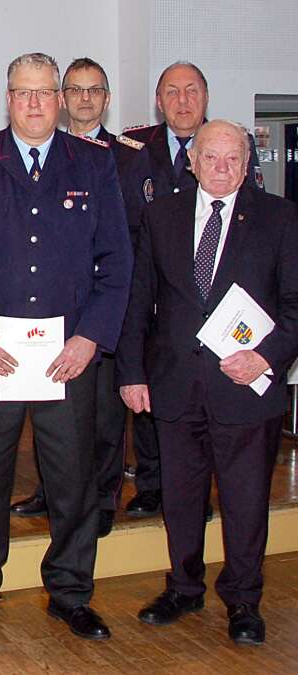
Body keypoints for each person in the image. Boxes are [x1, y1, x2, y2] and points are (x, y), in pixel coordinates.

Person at [0, 52, 132, 641]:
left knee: (72, 480)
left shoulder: (93, 164)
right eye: (23, 93)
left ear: (60, 100)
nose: (34, 103)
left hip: (65, 357)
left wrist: (90, 338)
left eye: (45, 92)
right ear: (8, 99)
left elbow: (116, 261)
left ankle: (70, 592)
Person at [118, 119, 298, 647]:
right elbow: (139, 299)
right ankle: (183, 587)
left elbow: (295, 305)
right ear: (192, 163)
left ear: (247, 164)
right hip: (174, 386)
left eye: (233, 158)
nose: (221, 168)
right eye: (211, 157)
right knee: (180, 499)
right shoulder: (161, 214)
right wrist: (131, 372)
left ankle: (243, 600)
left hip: (245, 390)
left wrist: (264, 358)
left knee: (246, 503)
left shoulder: (280, 218)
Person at [9, 57, 152, 537]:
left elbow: (133, 240)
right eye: (75, 90)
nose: (84, 98)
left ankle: (102, 498)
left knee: (104, 414)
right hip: (51, 307)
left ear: (106, 100)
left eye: (94, 90)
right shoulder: (45, 152)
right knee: (48, 408)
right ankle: (51, 491)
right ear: (62, 99)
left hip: (102, 306)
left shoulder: (127, 158)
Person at [121, 62, 258, 517]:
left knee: (218, 415)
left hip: (223, 310)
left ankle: (200, 494)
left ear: (206, 97)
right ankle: (152, 485)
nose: (183, 101)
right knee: (156, 402)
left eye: (192, 91)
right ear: (158, 101)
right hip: (159, 298)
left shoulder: (232, 146)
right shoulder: (134, 150)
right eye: (172, 92)